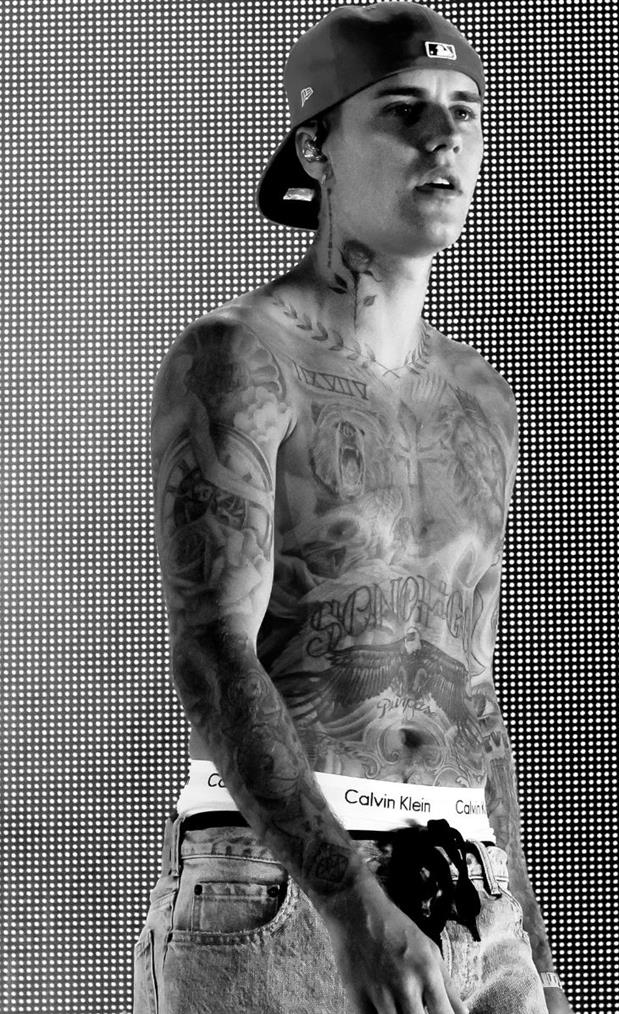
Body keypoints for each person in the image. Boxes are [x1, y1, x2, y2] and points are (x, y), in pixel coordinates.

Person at [134, 5, 573, 1013]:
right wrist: (351, 905)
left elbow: (472, 686)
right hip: (286, 886)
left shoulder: (479, 397)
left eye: (465, 111)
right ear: (315, 150)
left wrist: (532, 940)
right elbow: (212, 650)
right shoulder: (240, 358)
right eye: (402, 111)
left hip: (472, 891)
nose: (444, 137)